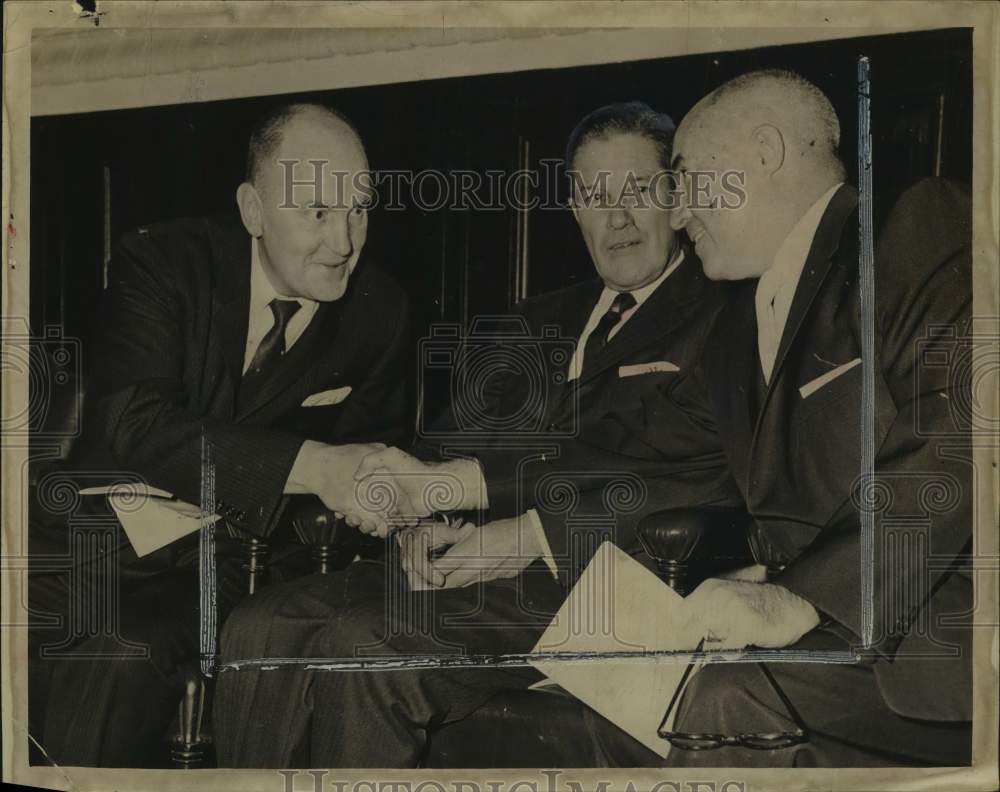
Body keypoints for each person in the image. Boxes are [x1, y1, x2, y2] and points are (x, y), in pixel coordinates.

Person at [213, 101, 741, 767]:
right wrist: (416, 522)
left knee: (367, 643)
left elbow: (681, 469)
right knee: (260, 625)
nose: (617, 218)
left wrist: (522, 533)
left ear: (677, 198)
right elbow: (444, 449)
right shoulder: (535, 320)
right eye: (594, 195)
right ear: (574, 208)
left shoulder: (722, 315)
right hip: (469, 568)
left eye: (638, 191)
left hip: (612, 582)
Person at [28, 102, 410, 766]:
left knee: (124, 651)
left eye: (358, 209)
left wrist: (386, 503)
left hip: (231, 562)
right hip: (90, 537)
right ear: (254, 211)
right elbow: (137, 423)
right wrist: (317, 466)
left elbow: (370, 464)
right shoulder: (163, 262)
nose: (345, 241)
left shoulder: (380, 313)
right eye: (318, 212)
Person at [655, 68, 973, 767]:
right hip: (814, 643)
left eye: (685, 180)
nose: (675, 217)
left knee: (728, 698)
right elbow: (666, 462)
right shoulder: (731, 329)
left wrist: (799, 598)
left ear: (765, 150)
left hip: (931, 641)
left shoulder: (915, 227)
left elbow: (963, 431)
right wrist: (480, 500)